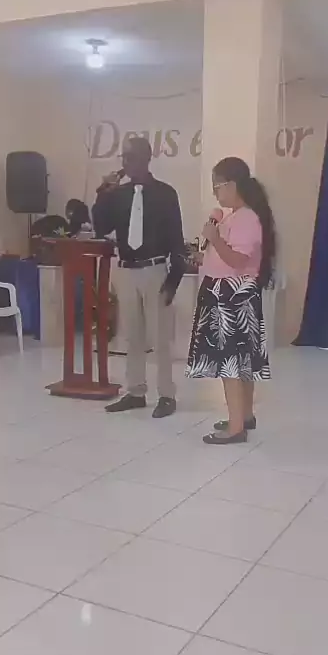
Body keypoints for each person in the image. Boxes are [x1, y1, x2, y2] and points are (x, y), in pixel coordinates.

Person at [92, 136, 185, 418]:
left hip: (155, 270)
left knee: (160, 338)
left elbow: (177, 239)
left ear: (146, 158)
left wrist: (173, 280)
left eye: (130, 157)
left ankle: (166, 395)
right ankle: (135, 391)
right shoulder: (118, 195)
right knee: (132, 336)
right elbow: (100, 227)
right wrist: (103, 193)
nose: (126, 162)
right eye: (124, 157)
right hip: (127, 270)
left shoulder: (165, 193)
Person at [186, 156, 276, 444]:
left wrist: (215, 239)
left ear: (234, 185)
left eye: (218, 186)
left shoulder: (247, 218)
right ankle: (244, 415)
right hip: (226, 293)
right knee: (241, 361)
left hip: (233, 297)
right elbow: (225, 257)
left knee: (232, 364)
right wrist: (204, 256)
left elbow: (238, 260)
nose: (215, 192)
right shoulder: (232, 216)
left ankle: (236, 427)